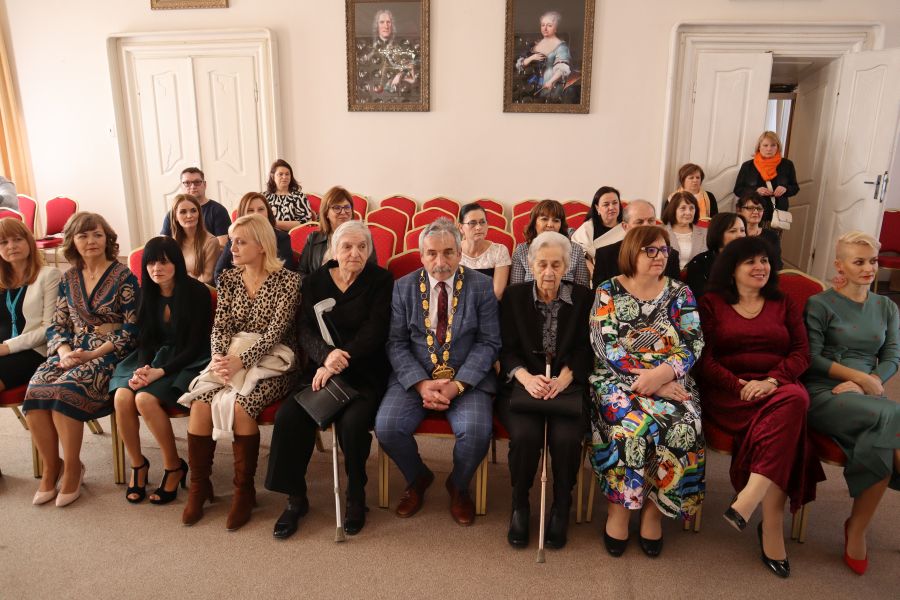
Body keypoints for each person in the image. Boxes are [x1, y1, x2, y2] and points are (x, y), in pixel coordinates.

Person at [698, 236, 824, 578]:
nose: (760, 267)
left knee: (795, 399)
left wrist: (771, 381)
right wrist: (737, 384)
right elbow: (704, 359)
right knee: (792, 420)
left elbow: (801, 353)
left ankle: (751, 498)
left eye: (765, 260)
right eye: (750, 261)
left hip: (775, 388)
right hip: (732, 394)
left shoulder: (783, 303)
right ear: (732, 269)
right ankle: (770, 526)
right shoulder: (711, 303)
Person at [266, 221, 393, 539]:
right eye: (347, 246)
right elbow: (305, 329)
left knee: (353, 424)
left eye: (362, 246)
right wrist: (325, 357)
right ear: (334, 250)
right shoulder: (314, 282)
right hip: (321, 367)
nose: (355, 253)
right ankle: (296, 498)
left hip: (364, 370)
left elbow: (375, 331)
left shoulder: (381, 280)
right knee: (289, 417)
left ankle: (356, 496)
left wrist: (337, 361)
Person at [375, 218, 501, 526]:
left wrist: (457, 385)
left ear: (460, 253)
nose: (440, 262)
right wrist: (421, 384)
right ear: (421, 255)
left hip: (466, 379)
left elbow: (489, 343)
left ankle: (458, 485)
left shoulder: (481, 286)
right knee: (387, 427)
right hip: (415, 376)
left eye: (448, 252)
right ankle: (418, 476)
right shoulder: (403, 288)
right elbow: (395, 343)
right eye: (432, 253)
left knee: (476, 432)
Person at [589, 225, 705, 559]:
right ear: (632, 252)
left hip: (671, 378)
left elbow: (693, 341)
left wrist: (664, 375)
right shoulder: (608, 290)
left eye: (663, 250)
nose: (659, 256)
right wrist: (649, 381)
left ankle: (655, 511)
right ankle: (620, 509)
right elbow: (605, 346)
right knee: (632, 429)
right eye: (650, 250)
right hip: (617, 379)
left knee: (686, 425)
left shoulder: (680, 292)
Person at [178, 214, 300, 530]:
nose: (232, 247)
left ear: (262, 245)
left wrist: (242, 361)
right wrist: (219, 357)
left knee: (241, 406)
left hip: (275, 361)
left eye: (241, 242)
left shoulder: (288, 281)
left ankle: (243, 491)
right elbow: (221, 325)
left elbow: (276, 333)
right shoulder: (229, 278)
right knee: (200, 402)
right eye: (232, 241)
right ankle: (199, 485)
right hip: (230, 354)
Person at [23, 212, 139, 507]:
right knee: (35, 391)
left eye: (97, 234)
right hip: (72, 349)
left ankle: (74, 468)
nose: (91, 241)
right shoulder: (68, 278)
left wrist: (93, 354)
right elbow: (57, 324)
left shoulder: (124, 276)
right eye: (83, 235)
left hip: (110, 353)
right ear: (73, 241)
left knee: (64, 391)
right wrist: (63, 352)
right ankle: (53, 467)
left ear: (107, 239)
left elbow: (133, 330)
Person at [803, 231, 900, 575]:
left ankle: (856, 527)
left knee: (885, 437)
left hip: (867, 393)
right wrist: (860, 378)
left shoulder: (887, 307)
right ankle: (856, 529)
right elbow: (811, 358)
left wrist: (867, 383)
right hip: (825, 393)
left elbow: (893, 356)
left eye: (872, 261)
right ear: (839, 265)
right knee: (895, 417)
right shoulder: (820, 304)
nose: (869, 268)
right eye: (859, 262)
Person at [497, 231, 592, 550]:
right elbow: (506, 348)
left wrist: (566, 377)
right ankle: (520, 504)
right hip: (524, 385)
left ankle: (561, 506)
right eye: (542, 264)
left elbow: (588, 348)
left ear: (566, 266)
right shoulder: (514, 297)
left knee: (566, 440)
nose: (549, 272)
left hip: (567, 385)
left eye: (556, 264)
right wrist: (525, 377)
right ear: (530, 264)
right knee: (525, 437)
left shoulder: (583, 298)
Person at [109, 237, 213, 505]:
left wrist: (160, 371)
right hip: (152, 356)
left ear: (176, 262)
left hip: (187, 359)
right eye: (151, 263)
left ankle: (173, 466)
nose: (157, 268)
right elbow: (145, 339)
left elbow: (195, 345)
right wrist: (143, 368)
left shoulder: (197, 292)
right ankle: (138, 465)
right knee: (122, 396)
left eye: (164, 262)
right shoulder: (146, 292)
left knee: (144, 399)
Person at [0, 220, 60, 394]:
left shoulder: (49, 276)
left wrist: (7, 347)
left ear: (29, 242)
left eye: (17, 239)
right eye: (3, 242)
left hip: (34, 351)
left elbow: (49, 328)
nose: (11, 246)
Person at [591, 200, 680, 289]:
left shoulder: (670, 255)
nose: (646, 226)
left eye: (651, 221)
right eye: (639, 222)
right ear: (625, 226)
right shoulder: (606, 255)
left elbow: (676, 290)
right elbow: (598, 293)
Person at [214, 192, 296, 285]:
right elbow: (218, 274)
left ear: (268, 213)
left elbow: (286, 275)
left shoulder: (281, 238)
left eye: (261, 209)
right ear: (242, 216)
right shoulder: (234, 238)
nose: (256, 214)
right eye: (250, 210)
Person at [298, 186, 375, 278]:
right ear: (326, 213)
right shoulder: (313, 238)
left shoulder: (363, 237)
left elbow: (372, 273)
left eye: (347, 207)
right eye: (337, 208)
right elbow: (301, 272)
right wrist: (316, 285)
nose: (343, 212)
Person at [510, 200, 589, 288]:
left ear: (561, 225)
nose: (550, 225)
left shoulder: (576, 249)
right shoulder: (521, 251)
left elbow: (583, 289)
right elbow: (515, 290)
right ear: (534, 222)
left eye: (556, 221)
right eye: (544, 219)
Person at [733, 131, 799, 224]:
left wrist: (785, 189)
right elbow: (738, 190)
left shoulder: (787, 165)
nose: (769, 149)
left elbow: (795, 188)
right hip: (752, 214)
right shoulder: (748, 166)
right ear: (759, 147)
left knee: (773, 234)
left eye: (773, 145)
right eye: (765, 145)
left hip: (777, 215)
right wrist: (756, 191)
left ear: (778, 147)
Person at [513, 11, 578, 104]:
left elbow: (562, 68)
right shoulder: (534, 44)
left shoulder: (561, 46)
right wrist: (531, 58)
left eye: (549, 25)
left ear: (556, 28)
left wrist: (551, 81)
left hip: (550, 83)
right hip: (530, 85)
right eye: (543, 25)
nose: (545, 28)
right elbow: (520, 65)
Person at [357, 9, 420, 102]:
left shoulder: (401, 47)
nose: (386, 26)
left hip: (397, 98)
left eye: (388, 22)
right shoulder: (368, 49)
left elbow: (413, 78)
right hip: (373, 99)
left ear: (392, 25)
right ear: (377, 25)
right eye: (382, 22)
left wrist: (400, 75)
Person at [160, 167, 231, 245]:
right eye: (187, 183)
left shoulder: (218, 211)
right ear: (181, 186)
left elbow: (222, 246)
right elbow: (162, 244)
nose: (193, 186)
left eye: (197, 182)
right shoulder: (172, 214)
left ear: (205, 185)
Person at [683, 212, 746, 297]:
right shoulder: (700, 263)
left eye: (742, 230)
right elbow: (700, 298)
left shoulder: (752, 259)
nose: (740, 235)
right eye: (733, 231)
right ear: (718, 234)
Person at [457, 202, 511, 299]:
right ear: (461, 228)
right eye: (472, 223)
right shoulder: (453, 251)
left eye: (482, 222)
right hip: (460, 305)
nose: (478, 227)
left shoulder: (499, 251)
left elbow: (497, 293)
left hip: (491, 305)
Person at [168, 194, 221, 285]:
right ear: (175, 216)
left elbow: (206, 279)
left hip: (199, 290)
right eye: (183, 212)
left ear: (199, 214)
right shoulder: (171, 243)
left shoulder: (211, 242)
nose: (189, 216)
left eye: (193, 211)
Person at [571, 186, 623, 273]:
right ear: (597, 208)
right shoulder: (588, 228)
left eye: (615, 203)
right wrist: (586, 262)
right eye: (606, 204)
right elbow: (574, 249)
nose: (611, 207)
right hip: (590, 273)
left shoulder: (626, 228)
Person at [736, 192, 783, 270]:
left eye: (759, 208)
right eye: (750, 208)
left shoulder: (772, 236)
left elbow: (777, 265)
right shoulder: (733, 234)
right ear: (739, 210)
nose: (756, 212)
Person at [264, 159, 314, 231]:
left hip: (292, 236)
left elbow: (306, 222)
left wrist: (273, 223)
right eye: (280, 174)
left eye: (287, 174)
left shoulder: (299, 196)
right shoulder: (264, 197)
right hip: (267, 235)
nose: (284, 177)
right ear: (273, 176)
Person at [662, 191, 707, 270]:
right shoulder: (660, 231)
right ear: (673, 210)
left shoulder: (706, 233)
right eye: (683, 208)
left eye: (691, 208)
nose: (688, 212)